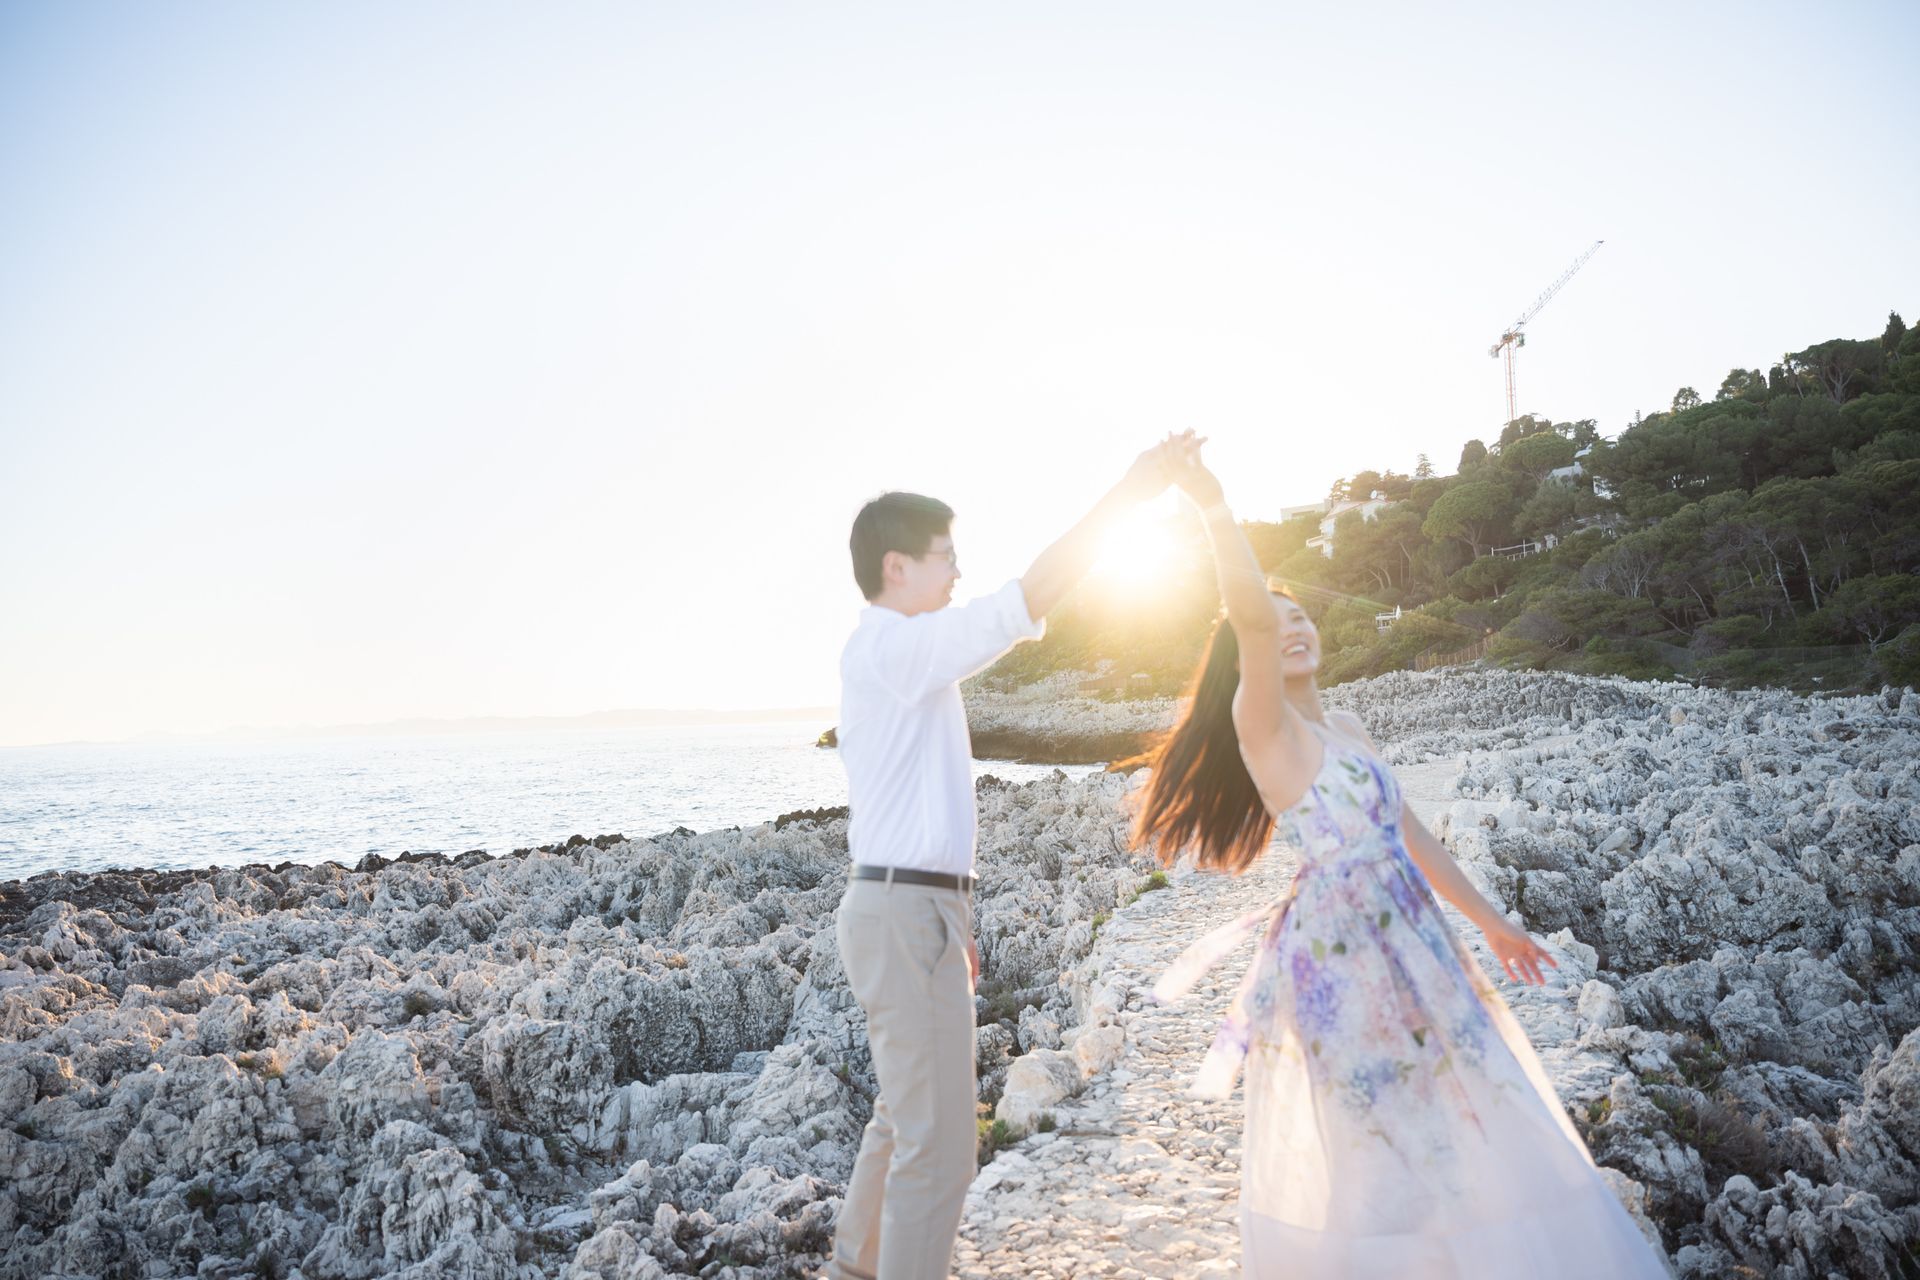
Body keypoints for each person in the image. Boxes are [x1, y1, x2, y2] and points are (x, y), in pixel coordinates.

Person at [1132, 443, 1669, 1278]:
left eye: (1301, 614)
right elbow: (1245, 610)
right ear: (1251, 654)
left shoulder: (1348, 729)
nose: (1291, 627)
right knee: (1377, 1151)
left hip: (1418, 949)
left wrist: (1494, 924)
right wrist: (1212, 505)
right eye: (1272, 625)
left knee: (1461, 1124)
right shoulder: (1268, 730)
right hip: (1338, 959)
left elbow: (1412, 837)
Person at [826, 437, 1183, 1280]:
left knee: (901, 1116)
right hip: (903, 910)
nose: (956, 573)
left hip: (915, 909)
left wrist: (955, 920)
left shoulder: (898, 660)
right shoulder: (889, 648)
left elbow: (923, 809)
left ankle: (856, 1266)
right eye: (944, 558)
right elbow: (1018, 603)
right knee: (942, 1149)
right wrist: (1129, 495)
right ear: (896, 567)